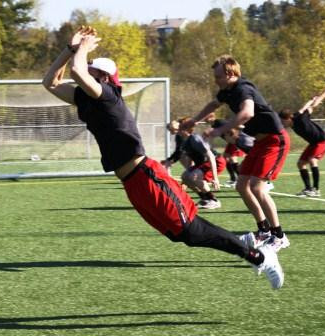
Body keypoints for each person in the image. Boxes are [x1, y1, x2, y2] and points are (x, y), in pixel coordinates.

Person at [41, 27, 284, 289]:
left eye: (92, 67)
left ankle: (259, 256)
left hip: (146, 176)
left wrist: (83, 48)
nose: (86, 67)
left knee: (191, 229)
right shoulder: (86, 98)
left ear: (104, 77)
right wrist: (70, 49)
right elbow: (50, 82)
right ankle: (250, 248)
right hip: (132, 183)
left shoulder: (109, 95)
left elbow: (76, 71)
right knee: (181, 235)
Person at [180, 55, 290, 252]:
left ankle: (279, 236)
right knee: (241, 185)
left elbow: (248, 113)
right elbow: (213, 105)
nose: (216, 81)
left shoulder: (242, 88)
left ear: (230, 74)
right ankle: (263, 231)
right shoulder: (228, 91)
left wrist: (219, 130)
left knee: (257, 187)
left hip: (275, 141)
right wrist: (195, 120)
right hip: (260, 142)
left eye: (218, 77)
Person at [279, 87, 325, 197]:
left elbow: (313, 107)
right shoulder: (296, 116)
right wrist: (312, 98)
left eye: (283, 121)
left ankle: (316, 190)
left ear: (288, 118)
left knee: (312, 160)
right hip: (313, 143)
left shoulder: (300, 119)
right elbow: (305, 107)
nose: (282, 123)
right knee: (300, 164)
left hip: (322, 141)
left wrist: (324, 94)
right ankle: (308, 189)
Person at [178, 117, 226, 209]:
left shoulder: (195, 139)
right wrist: (186, 178)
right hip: (202, 163)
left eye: (180, 128)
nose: (178, 130)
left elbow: (211, 156)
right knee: (185, 176)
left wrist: (215, 178)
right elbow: (190, 160)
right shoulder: (184, 141)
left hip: (216, 161)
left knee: (193, 176)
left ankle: (213, 200)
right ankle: (205, 198)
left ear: (187, 129)